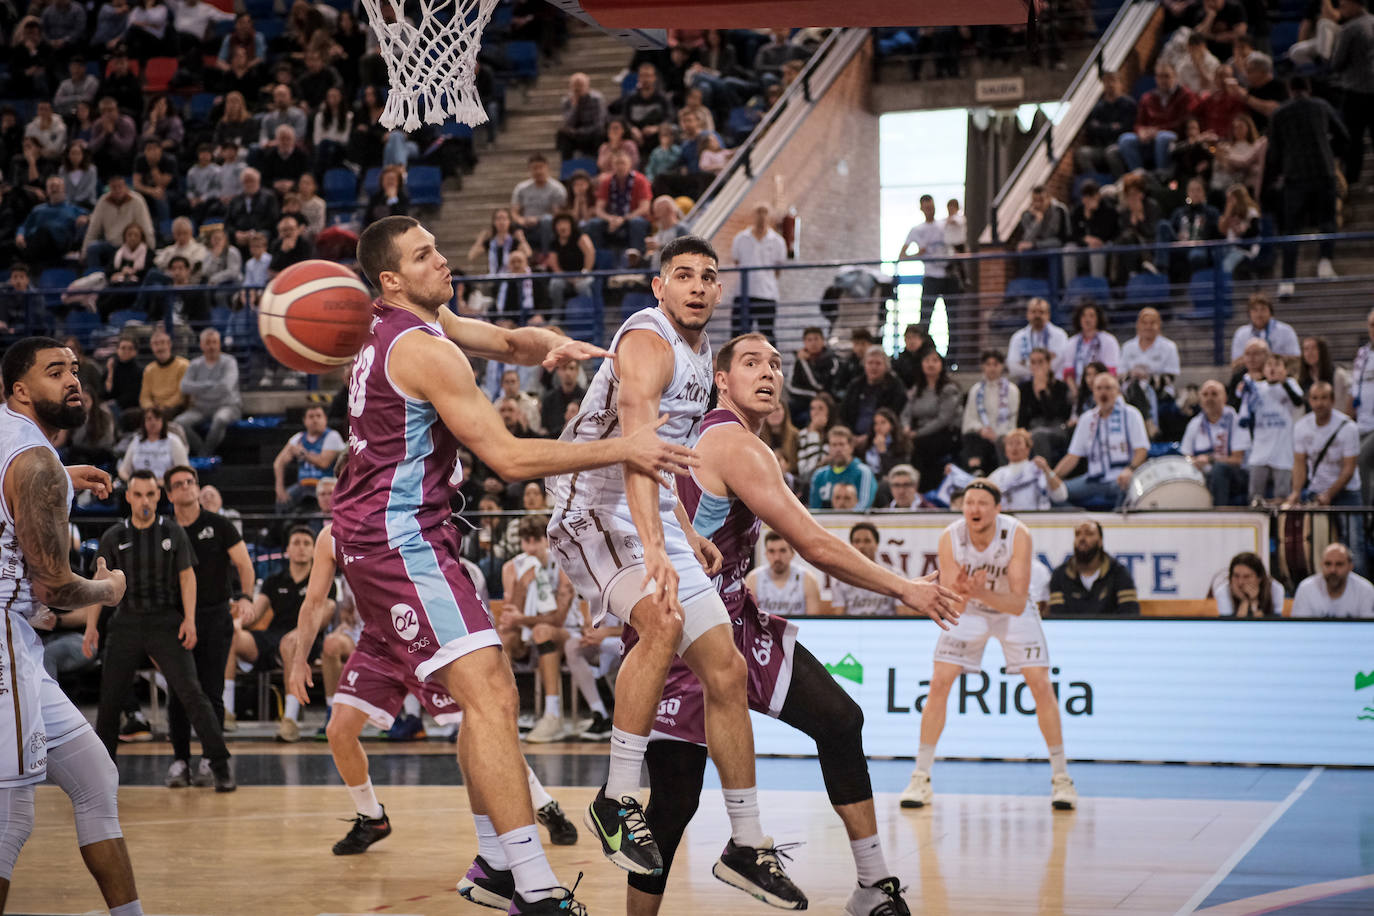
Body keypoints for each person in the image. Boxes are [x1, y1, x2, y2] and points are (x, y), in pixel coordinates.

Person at [331, 216, 695, 913]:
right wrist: (624, 447)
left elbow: (503, 340)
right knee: (493, 698)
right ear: (390, 279)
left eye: (438, 245)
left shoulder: (412, 326)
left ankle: (498, 866)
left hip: (406, 534)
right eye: (423, 255)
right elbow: (511, 458)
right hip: (396, 541)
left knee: (488, 697)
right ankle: (531, 886)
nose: (443, 259)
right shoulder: (425, 353)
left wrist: (551, 346)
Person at [626, 332, 958, 916]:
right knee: (675, 799)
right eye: (751, 363)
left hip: (731, 615)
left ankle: (873, 887)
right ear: (721, 380)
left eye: (776, 365)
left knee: (838, 719)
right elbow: (814, 546)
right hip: (686, 628)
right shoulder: (733, 442)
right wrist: (906, 587)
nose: (769, 373)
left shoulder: (731, 439)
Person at [547, 235, 810, 903]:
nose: (697, 285)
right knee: (659, 621)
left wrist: (684, 530)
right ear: (659, 287)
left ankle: (747, 842)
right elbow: (638, 450)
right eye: (683, 275)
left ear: (720, 292)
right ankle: (615, 798)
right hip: (594, 510)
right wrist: (657, 543)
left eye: (708, 277)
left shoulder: (699, 358)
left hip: (651, 513)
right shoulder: (649, 342)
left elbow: (668, 458)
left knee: (727, 669)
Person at [285, 524, 581, 863]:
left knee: (483, 731)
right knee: (338, 730)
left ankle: (544, 804)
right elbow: (314, 601)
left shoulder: (405, 518)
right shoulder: (331, 535)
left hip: (426, 639)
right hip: (378, 642)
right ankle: (372, 817)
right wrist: (299, 660)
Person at [0, 337, 146, 915]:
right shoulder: (34, 463)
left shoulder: (23, 446)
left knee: (93, 776)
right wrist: (109, 590)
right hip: (3, 637)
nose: (72, 380)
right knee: (11, 812)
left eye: (75, 370)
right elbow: (56, 591)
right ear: (19, 389)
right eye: (54, 371)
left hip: (18, 640)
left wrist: (59, 475)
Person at [901, 479, 1077, 812]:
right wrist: (967, 593)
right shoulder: (951, 537)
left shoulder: (1017, 535)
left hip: (1011, 610)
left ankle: (1062, 779)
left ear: (997, 509)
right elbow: (955, 606)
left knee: (1040, 684)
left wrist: (977, 591)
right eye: (969, 502)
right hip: (972, 611)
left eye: (982, 503)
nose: (974, 509)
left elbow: (1016, 602)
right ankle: (920, 777)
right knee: (939, 681)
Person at [84, 470, 235, 789]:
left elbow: (187, 577)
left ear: (158, 496)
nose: (144, 501)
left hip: (165, 620)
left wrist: (190, 619)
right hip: (126, 620)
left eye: (150, 495)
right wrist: (91, 627)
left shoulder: (172, 532)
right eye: (138, 495)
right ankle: (101, 774)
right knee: (109, 699)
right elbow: (99, 582)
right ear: (128, 497)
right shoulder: (113, 536)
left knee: (193, 692)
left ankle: (220, 765)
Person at [163, 465, 254, 788]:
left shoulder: (219, 525)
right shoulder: (166, 531)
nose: (188, 488)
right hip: (175, 620)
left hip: (215, 615)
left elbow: (244, 564)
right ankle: (179, 761)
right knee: (178, 692)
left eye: (191, 482)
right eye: (179, 484)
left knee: (212, 690)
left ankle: (209, 758)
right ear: (169, 494)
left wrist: (245, 596)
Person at [225, 526, 333, 742]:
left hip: (305, 642)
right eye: (296, 543)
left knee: (290, 642)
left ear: (314, 550)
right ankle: (227, 711)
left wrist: (301, 633)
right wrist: (237, 621)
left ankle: (290, 720)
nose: (301, 548)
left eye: (306, 543)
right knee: (231, 635)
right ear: (287, 550)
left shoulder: (321, 578)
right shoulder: (274, 580)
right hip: (273, 636)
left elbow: (327, 610)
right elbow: (255, 613)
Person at [498, 516, 579, 744]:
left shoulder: (563, 564)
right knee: (503, 638)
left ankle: (553, 715)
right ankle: (504, 710)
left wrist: (522, 618)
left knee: (543, 631)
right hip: (527, 631)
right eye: (526, 541)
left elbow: (559, 619)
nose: (531, 547)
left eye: (536, 540)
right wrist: (522, 584)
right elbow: (509, 617)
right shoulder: (511, 568)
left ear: (547, 540)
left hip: (565, 632)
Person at [1266, 75, 1345, 297]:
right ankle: (1325, 263)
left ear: (1290, 90)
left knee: (1291, 229)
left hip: (1295, 177)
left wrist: (1278, 174)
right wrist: (1332, 156)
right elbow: (1343, 136)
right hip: (1324, 172)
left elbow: (1273, 153)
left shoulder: (1280, 113)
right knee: (1327, 220)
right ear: (1308, 89)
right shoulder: (1321, 106)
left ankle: (1287, 281)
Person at [1285, 381, 1366, 577]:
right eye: (1315, 398)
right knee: (1316, 544)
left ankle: (1364, 592)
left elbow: (1349, 468)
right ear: (1309, 401)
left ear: (1332, 400)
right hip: (1317, 490)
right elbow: (1299, 464)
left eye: (1323, 398)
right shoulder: (1302, 427)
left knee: (1355, 544)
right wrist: (1296, 492)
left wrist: (1330, 494)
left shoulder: (1348, 427)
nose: (1319, 403)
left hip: (1347, 492)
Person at [1052, 373, 1150, 508]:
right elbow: (1073, 457)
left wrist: (1130, 469)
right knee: (1053, 494)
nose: (1104, 393)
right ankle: (1085, 521)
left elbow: (1141, 451)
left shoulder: (1131, 414)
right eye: (1099, 388)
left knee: (1129, 491)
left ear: (1117, 391)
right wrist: (1051, 478)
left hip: (1120, 479)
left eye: (1108, 388)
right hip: (1093, 479)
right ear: (1093, 392)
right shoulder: (1087, 419)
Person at [1241, 352, 1304, 503]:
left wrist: (1284, 382)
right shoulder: (1256, 388)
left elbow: (1299, 401)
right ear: (1264, 370)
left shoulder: (1290, 384)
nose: (1273, 369)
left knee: (1282, 496)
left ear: (1284, 369)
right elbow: (1246, 415)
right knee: (1255, 497)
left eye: (1277, 365)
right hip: (1260, 449)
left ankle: (1279, 526)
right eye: (1269, 365)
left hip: (1282, 450)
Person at [1047, 520, 1141, 616]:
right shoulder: (1060, 575)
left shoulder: (1119, 573)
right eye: (1078, 534)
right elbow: (1057, 617)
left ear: (1100, 541)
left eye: (1089, 533)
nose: (1082, 538)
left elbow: (1130, 614)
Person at [1181, 379, 1252, 506]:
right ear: (1200, 399)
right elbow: (1186, 456)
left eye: (1214, 394)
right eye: (1205, 395)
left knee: (1219, 469)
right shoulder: (1194, 424)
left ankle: (1219, 513)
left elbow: (1237, 460)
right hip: (1203, 475)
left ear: (1224, 398)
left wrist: (1210, 460)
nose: (1209, 398)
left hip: (1235, 476)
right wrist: (1194, 462)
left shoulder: (1236, 421)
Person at [176, 328, 241, 456]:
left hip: (226, 406)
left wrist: (199, 389)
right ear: (201, 345)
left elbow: (226, 387)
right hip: (201, 408)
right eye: (208, 343)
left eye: (214, 342)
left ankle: (205, 454)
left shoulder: (229, 362)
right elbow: (184, 387)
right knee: (179, 423)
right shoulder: (195, 364)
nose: (211, 346)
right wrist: (210, 385)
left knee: (220, 419)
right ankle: (203, 452)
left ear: (219, 344)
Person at [729, 203, 787, 340]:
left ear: (770, 216)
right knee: (738, 336)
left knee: (767, 335)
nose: (761, 216)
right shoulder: (740, 238)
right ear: (752, 215)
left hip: (767, 294)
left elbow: (778, 269)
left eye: (765, 212)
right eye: (758, 212)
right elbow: (737, 262)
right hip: (743, 293)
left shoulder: (778, 241)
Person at [897, 193, 955, 329]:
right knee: (925, 317)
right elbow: (902, 256)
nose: (930, 210)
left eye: (932, 207)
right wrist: (918, 254)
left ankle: (952, 350)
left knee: (953, 318)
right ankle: (924, 347)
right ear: (922, 209)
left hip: (949, 275)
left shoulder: (944, 225)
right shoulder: (917, 230)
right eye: (927, 208)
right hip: (931, 277)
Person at [272, 404, 345, 513]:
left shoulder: (332, 436)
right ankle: (283, 529)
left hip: (325, 484)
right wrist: (279, 488)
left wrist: (303, 454)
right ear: (304, 420)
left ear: (325, 419)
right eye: (311, 417)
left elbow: (323, 462)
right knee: (282, 501)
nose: (315, 420)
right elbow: (278, 463)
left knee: (321, 498)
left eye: (318, 416)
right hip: (303, 484)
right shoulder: (298, 438)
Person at [961, 350, 1019, 474]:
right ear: (982, 366)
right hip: (982, 435)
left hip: (1004, 435)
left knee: (1000, 442)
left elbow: (1013, 419)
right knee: (971, 438)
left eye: (996, 364)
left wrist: (997, 435)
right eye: (988, 364)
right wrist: (982, 430)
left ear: (1002, 366)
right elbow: (970, 418)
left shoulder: (1012, 390)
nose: (992, 368)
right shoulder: (976, 390)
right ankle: (976, 472)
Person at [988, 428, 1067, 510]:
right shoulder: (998, 474)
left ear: (1028, 449)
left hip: (1036, 519)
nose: (1014, 448)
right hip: (1008, 519)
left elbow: (1061, 496)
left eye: (1018, 443)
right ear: (1005, 450)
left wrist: (1047, 470)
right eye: (1010, 444)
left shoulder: (1039, 470)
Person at [745, 531, 820, 617]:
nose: (777, 557)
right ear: (766, 554)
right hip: (764, 630)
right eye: (771, 551)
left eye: (782, 551)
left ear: (792, 553)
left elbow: (813, 621)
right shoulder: (753, 579)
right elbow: (749, 619)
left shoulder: (808, 580)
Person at [1290, 543, 1374, 617]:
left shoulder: (1366, 590)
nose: (1333, 570)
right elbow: (1301, 630)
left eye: (1339, 564)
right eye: (1328, 564)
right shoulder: (1306, 589)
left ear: (1350, 566)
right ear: (1321, 564)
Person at [809, 426, 878, 510]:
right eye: (834, 445)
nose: (838, 449)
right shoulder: (819, 475)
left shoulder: (863, 472)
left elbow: (863, 506)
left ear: (851, 447)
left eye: (841, 444)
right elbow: (815, 509)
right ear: (829, 448)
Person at [1006, 297, 1069, 383]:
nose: (1037, 315)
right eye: (1033, 312)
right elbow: (1012, 366)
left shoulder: (1060, 335)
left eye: (1041, 312)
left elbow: (1060, 361)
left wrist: (1025, 363)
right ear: (1027, 314)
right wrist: (1034, 373)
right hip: (1026, 385)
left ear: (1048, 315)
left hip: (1053, 383)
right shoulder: (1018, 338)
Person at [1230, 292, 1301, 364]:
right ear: (1249, 313)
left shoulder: (1286, 331)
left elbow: (1296, 359)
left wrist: (1270, 358)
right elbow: (1235, 363)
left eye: (1263, 309)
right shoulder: (1241, 334)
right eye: (1255, 310)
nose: (1259, 314)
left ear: (1270, 312)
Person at [1063, 301, 1119, 388]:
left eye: (1091, 316)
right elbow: (1068, 373)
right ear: (1079, 319)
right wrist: (1076, 393)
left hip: (1102, 387)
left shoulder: (1108, 341)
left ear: (1098, 319)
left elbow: (1112, 372)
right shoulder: (1072, 343)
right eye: (1083, 316)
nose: (1087, 319)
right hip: (1078, 388)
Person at [1213, 552, 1285, 617]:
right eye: (1236, 576)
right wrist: (1245, 601)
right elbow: (1231, 627)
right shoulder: (1223, 591)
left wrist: (1254, 603)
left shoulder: (1275, 589)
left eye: (1246, 577)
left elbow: (1274, 624)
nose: (1240, 582)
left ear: (1259, 578)